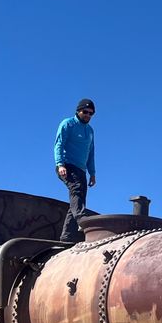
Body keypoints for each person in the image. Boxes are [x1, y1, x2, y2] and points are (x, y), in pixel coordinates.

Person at [54, 98, 97, 242]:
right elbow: (59, 144)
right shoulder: (68, 124)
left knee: (79, 199)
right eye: (85, 112)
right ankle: (82, 219)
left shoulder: (90, 131)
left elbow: (91, 152)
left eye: (91, 113)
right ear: (78, 111)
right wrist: (60, 164)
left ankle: (66, 236)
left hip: (81, 170)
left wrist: (92, 173)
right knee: (76, 190)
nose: (88, 115)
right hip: (67, 165)